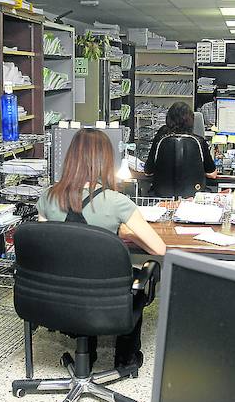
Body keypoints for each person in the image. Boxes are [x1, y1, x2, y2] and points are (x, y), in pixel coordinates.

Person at [36, 128, 165, 369]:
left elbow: (46, 246)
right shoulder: (116, 202)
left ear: (71, 158)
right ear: (105, 161)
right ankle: (125, 359)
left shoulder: (48, 197)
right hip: (105, 299)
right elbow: (159, 248)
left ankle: (88, 353)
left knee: (82, 271)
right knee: (136, 279)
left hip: (58, 296)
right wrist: (127, 234)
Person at [144, 101, 217, 182]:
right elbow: (212, 174)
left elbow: (148, 172)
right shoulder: (199, 142)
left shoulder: (160, 137)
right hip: (192, 188)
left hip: (162, 188)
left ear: (168, 118)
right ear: (191, 120)